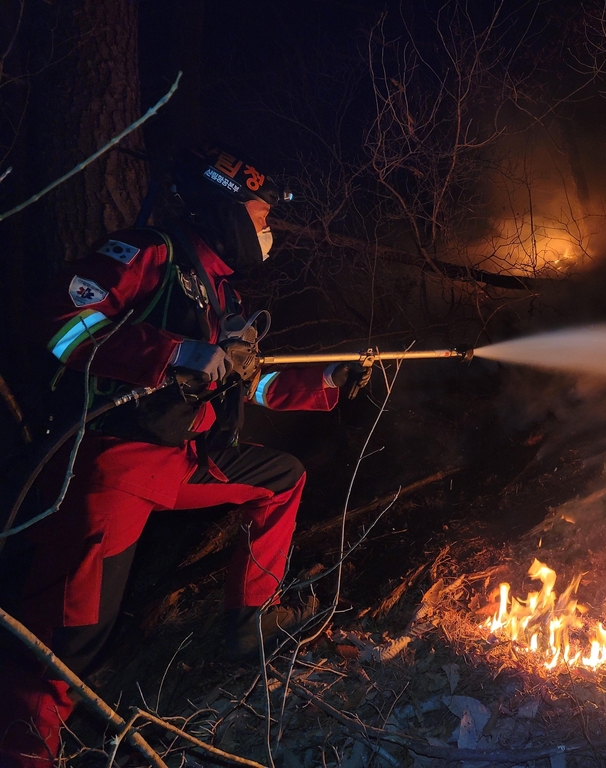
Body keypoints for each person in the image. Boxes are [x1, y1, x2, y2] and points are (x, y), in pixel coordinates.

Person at [0, 146, 369, 768]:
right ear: (225, 212)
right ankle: (25, 751)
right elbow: (62, 326)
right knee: (69, 631)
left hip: (184, 458)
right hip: (115, 464)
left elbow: (245, 382)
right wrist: (170, 352)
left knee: (281, 479)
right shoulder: (149, 254)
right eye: (261, 215)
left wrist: (327, 385)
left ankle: (250, 623)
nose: (268, 229)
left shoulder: (220, 294)